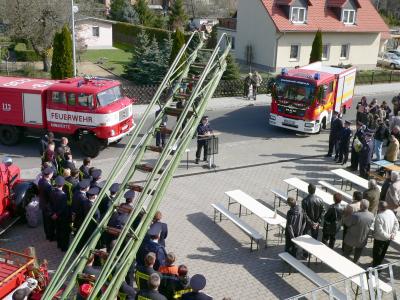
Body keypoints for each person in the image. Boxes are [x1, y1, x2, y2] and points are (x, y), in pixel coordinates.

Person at [372, 201, 399, 267]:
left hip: (380, 239)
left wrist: (390, 235)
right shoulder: (390, 212)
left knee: (377, 254)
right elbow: (396, 223)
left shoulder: (379, 216)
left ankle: (375, 267)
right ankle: (378, 265)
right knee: (382, 253)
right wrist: (393, 234)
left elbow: (380, 231)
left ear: (379, 207)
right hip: (388, 239)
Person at [50, 176, 70, 251]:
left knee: (58, 230)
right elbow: (63, 207)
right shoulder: (63, 195)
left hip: (56, 215)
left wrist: (54, 214)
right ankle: (64, 247)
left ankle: (59, 244)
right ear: (63, 185)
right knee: (64, 232)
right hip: (63, 217)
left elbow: (51, 204)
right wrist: (57, 214)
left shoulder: (52, 192)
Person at [38, 167, 55, 241]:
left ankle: (47, 235)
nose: (52, 174)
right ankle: (50, 236)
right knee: (49, 223)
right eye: (52, 173)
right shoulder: (47, 185)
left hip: (43, 204)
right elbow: (51, 197)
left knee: (45, 222)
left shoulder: (41, 180)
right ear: (48, 175)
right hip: (48, 206)